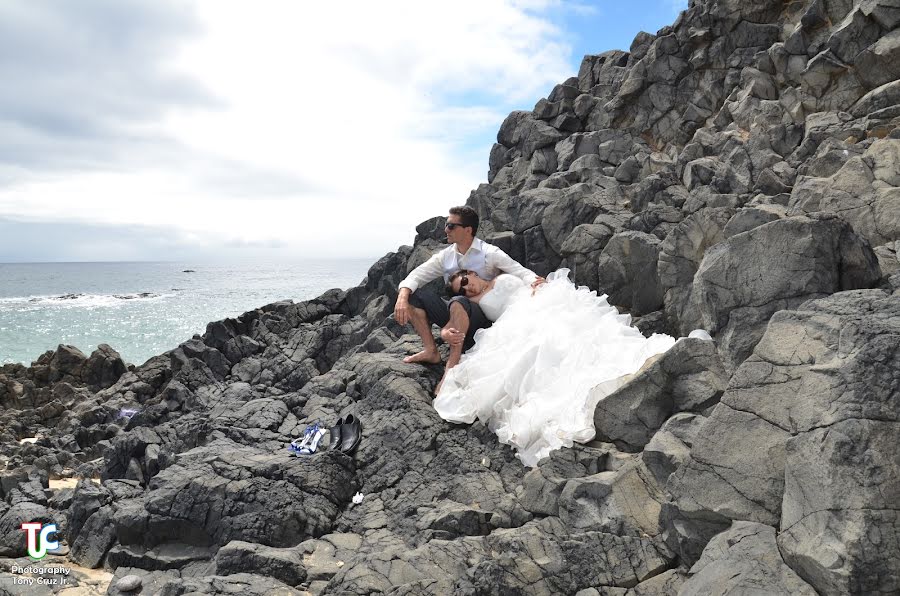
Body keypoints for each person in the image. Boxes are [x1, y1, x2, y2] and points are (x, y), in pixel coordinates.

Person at [432, 268, 692, 467]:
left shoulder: (501, 273)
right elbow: (456, 319)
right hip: (517, 321)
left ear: (471, 273)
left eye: (465, 281)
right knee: (540, 350)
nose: (467, 289)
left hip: (541, 300)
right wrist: (445, 332)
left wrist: (537, 282)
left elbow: (524, 273)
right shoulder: (474, 302)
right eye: (461, 290)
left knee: (576, 330)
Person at [393, 206, 545, 388]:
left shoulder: (489, 253)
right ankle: (431, 350)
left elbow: (519, 271)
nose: (445, 229)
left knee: (459, 300)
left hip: (481, 317)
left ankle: (452, 365)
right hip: (456, 310)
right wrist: (402, 297)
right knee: (414, 295)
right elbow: (417, 275)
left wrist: (536, 281)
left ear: (468, 230)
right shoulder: (445, 256)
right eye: (446, 225)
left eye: (450, 226)